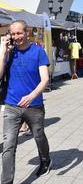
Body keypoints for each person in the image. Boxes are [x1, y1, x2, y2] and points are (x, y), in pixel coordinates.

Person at [0, 20, 51, 183]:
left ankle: (45, 160)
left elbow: (45, 79)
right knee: (8, 144)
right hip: (12, 105)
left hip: (34, 105)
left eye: (19, 33)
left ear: (26, 32)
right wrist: (2, 51)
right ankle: (6, 181)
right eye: (13, 34)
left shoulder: (38, 52)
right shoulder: (9, 52)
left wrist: (32, 95)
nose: (16, 37)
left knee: (38, 136)